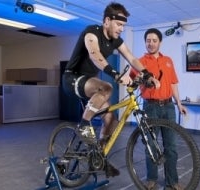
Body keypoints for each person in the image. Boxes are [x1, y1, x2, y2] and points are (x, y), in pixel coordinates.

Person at [62, 3, 159, 177]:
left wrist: (147, 74)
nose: (121, 29)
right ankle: (84, 125)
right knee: (106, 87)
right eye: (119, 24)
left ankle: (98, 156)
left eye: (124, 25)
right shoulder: (92, 32)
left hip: (89, 83)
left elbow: (131, 57)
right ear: (107, 21)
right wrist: (115, 74)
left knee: (111, 119)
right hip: (72, 78)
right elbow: (94, 54)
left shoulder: (116, 40)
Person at [130, 28, 187, 190]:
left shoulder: (168, 60)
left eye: (154, 40)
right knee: (151, 145)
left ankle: (172, 181)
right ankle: (152, 179)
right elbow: (131, 80)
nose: (151, 43)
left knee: (171, 147)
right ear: (145, 42)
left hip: (169, 107)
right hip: (150, 107)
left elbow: (173, 83)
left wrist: (179, 103)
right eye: (148, 40)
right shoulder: (140, 62)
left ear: (160, 42)